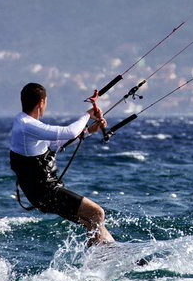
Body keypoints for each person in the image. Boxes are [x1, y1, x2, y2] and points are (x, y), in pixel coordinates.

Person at [9, 82, 115, 245]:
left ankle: (110, 254)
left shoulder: (23, 123)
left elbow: (55, 144)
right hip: (46, 192)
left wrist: (87, 131)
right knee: (97, 214)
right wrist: (87, 115)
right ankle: (100, 260)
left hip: (42, 192)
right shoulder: (27, 126)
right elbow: (70, 132)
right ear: (42, 102)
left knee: (91, 222)